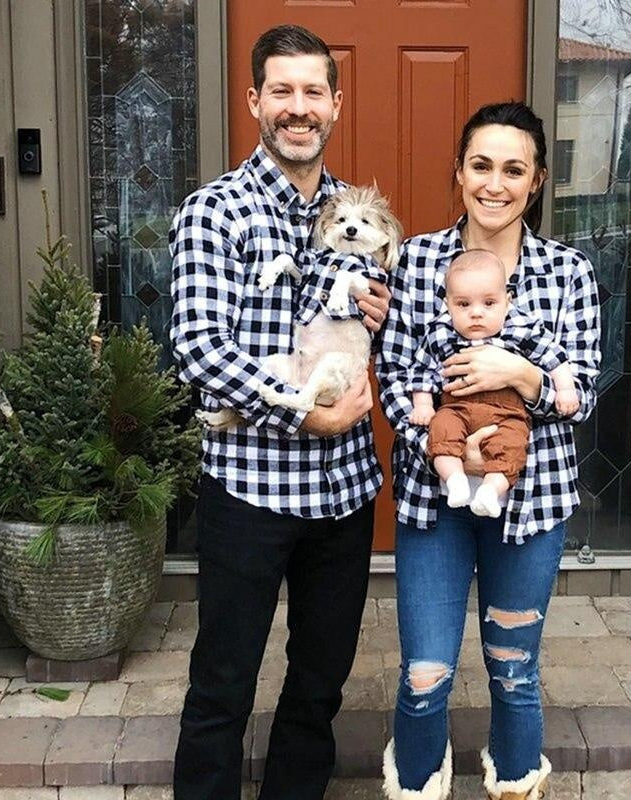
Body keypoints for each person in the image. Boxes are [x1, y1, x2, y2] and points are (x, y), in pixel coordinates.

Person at [169, 24, 390, 800]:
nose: (299, 109)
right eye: (282, 92)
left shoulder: (360, 218)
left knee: (318, 688)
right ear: (255, 99)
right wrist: (302, 415)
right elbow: (198, 350)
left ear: (336, 102)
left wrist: (382, 321)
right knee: (223, 685)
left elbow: (380, 346)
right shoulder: (216, 212)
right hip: (249, 493)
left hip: (342, 495)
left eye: (313, 93)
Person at [376, 101, 601, 800]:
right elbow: (395, 379)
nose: (494, 183)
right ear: (459, 173)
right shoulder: (415, 263)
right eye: (481, 166)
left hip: (530, 507)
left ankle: (514, 785)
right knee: (425, 675)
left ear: (535, 182)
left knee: (514, 671)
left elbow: (583, 391)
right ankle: (416, 783)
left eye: (513, 169)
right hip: (434, 501)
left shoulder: (569, 274)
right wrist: (448, 451)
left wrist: (522, 376)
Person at [408, 249, 577, 518]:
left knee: (511, 443)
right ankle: (455, 481)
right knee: (440, 429)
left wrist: (565, 389)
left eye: (489, 303)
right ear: (448, 304)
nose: (476, 313)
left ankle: (490, 491)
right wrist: (424, 403)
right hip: (456, 408)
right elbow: (421, 369)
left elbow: (555, 357)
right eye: (463, 305)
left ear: (507, 301)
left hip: (506, 414)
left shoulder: (520, 328)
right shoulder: (440, 333)